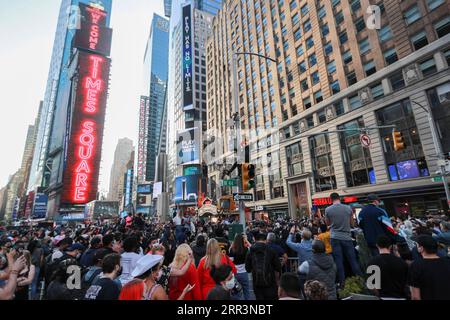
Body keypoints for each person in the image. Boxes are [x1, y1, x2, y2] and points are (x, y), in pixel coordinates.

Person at [325, 192, 362, 286]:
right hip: (347, 237)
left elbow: (328, 224)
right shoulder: (348, 208)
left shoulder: (328, 210)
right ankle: (361, 281)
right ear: (339, 198)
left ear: (331, 199)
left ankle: (342, 284)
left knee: (338, 262)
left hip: (334, 237)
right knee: (352, 260)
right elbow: (352, 224)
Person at [119, 255, 193, 300]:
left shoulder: (130, 285)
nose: (159, 272)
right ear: (152, 272)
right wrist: (184, 293)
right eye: (158, 269)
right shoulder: (157, 289)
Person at [408, 235, 450, 300]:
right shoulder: (447, 262)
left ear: (421, 248)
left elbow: (415, 296)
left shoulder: (416, 265)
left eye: (417, 245)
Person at [367, 235, 408, 299]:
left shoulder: (371, 263)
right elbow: (407, 282)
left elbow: (371, 285)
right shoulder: (401, 262)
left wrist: (379, 294)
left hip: (383, 297)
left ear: (377, 245)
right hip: (401, 297)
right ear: (390, 246)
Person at [245, 232, 281, 300]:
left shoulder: (250, 251)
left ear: (255, 240)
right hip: (270, 282)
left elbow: (248, 269)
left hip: (256, 283)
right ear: (266, 240)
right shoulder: (271, 250)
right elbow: (278, 267)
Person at [228, 233, 251, 300]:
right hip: (244, 272)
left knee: (236, 292)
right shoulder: (246, 249)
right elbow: (252, 248)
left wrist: (232, 245)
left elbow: (230, 262)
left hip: (235, 273)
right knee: (246, 292)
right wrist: (246, 240)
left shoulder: (232, 250)